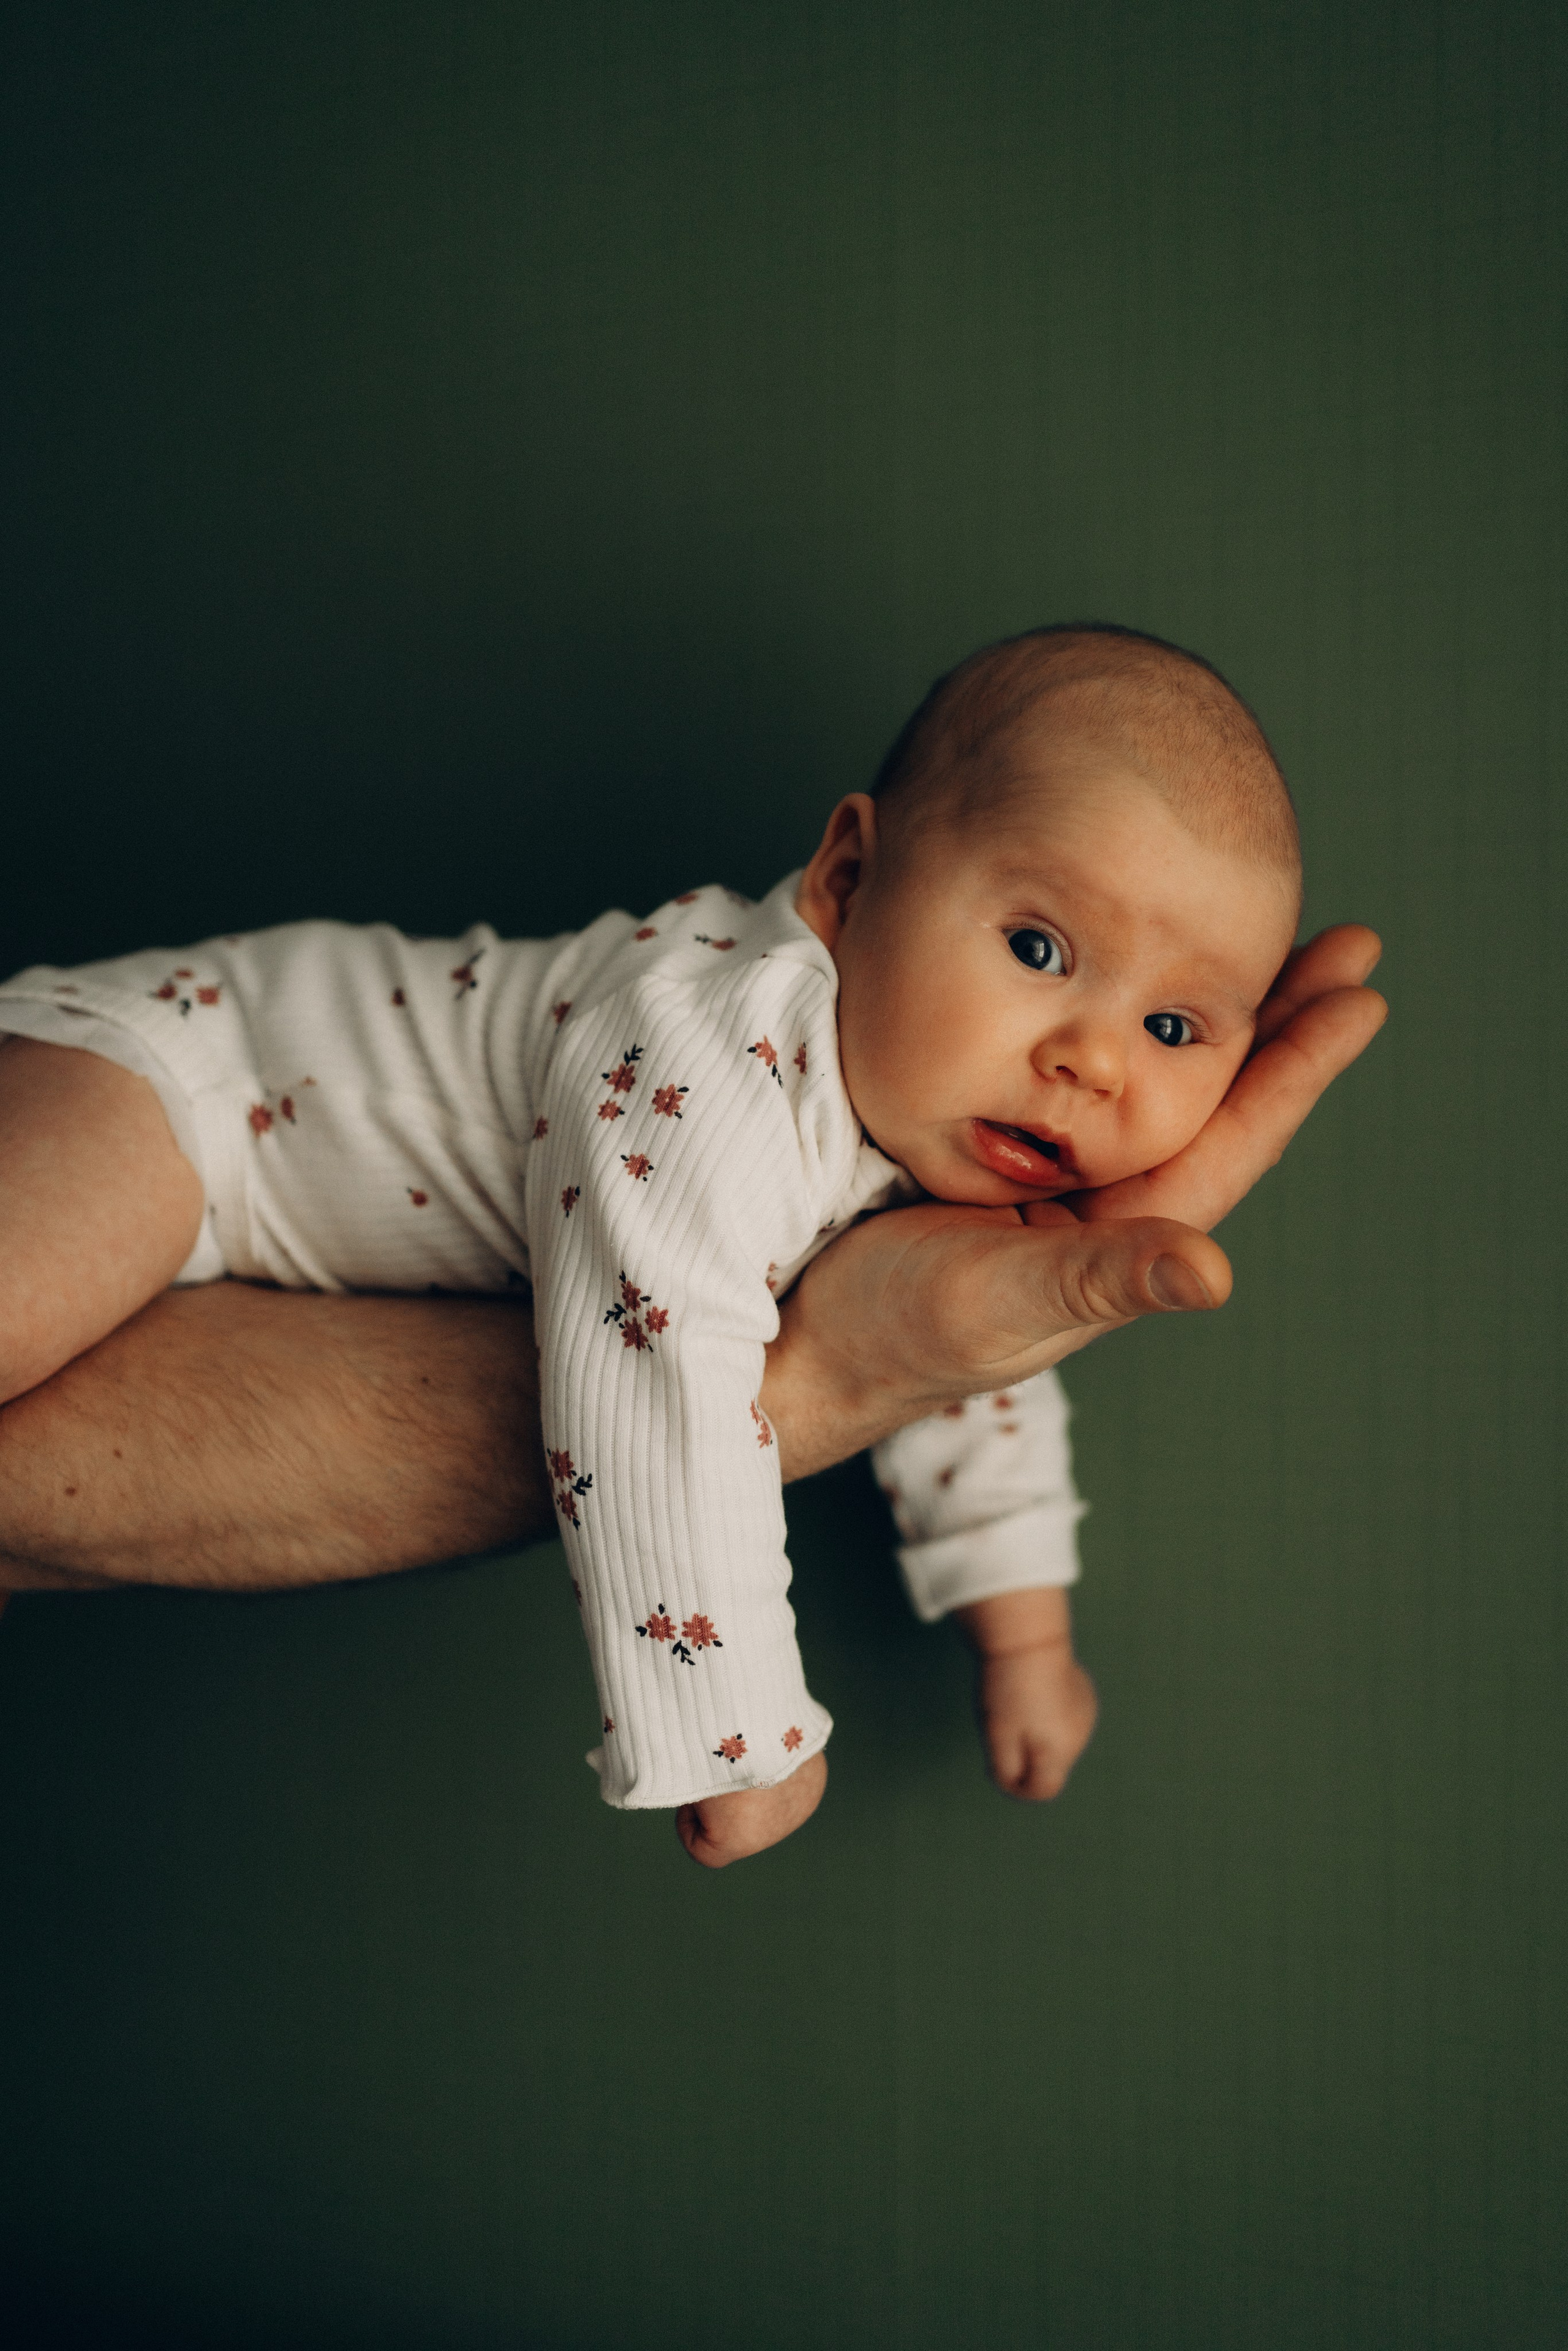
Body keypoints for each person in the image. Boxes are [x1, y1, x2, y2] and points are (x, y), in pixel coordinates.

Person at [0, 625, 1386, 1866]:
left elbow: (972, 1362)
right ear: (847, 876)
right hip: (177, 1083)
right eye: (1036, 945)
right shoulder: (717, 1043)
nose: (1089, 1058)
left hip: (232, 1228)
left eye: (1171, 1028)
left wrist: (1020, 1630)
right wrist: (739, 1733)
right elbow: (654, 1369)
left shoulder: (925, 1138)